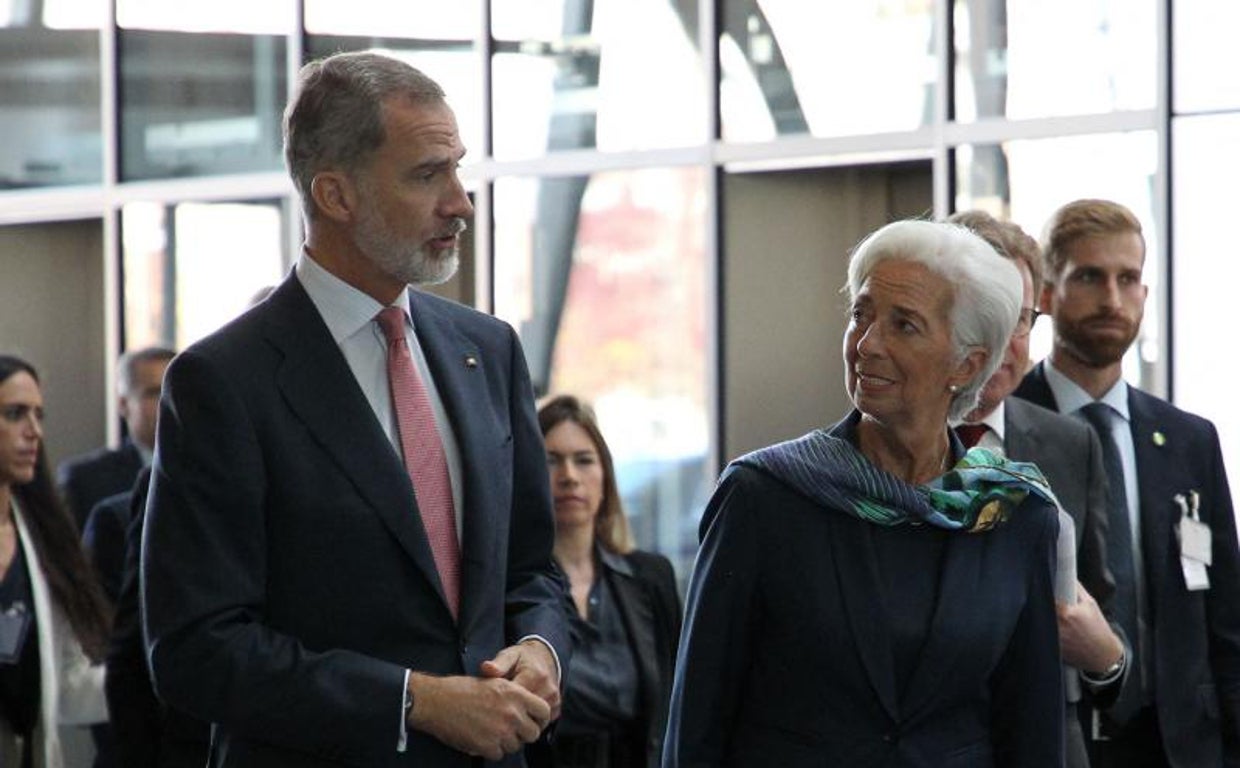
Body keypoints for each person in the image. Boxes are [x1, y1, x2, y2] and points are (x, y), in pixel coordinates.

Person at [141, 51, 569, 766]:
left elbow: (532, 568)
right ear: (336, 196)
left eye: (458, 169)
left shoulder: (487, 349)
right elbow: (196, 648)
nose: (461, 201)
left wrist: (539, 647)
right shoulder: (223, 382)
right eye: (427, 175)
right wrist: (415, 701)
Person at [664, 220, 1065, 767]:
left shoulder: (1012, 516)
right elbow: (698, 722)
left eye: (904, 325)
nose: (868, 343)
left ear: (966, 364)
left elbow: (1031, 729)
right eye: (862, 314)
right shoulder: (765, 497)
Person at [1013, 198, 1240, 767]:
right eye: (1089, 277)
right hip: (1056, 737)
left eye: (1128, 278)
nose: (1112, 299)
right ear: (1046, 293)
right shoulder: (1002, 430)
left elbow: (1226, 620)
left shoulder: (1190, 440)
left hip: (1181, 743)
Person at [948, 210, 1127, 767]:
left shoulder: (1071, 444)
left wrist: (1109, 659)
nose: (1006, 340)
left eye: (1022, 319)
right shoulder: (869, 452)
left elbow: (1100, 613)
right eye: (988, 316)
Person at [531, 395, 681, 768]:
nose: (569, 476)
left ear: (606, 478)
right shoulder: (515, 590)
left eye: (584, 460)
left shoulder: (650, 578)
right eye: (551, 461)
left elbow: (678, 698)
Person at [0, 355, 111, 767]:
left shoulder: (40, 541)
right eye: (14, 414)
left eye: (38, 415)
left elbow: (65, 685)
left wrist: (150, 678)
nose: (34, 432)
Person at [57, 347, 173, 531]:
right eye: (154, 393)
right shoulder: (84, 481)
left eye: (174, 393)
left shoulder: (210, 472)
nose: (167, 403)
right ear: (123, 404)